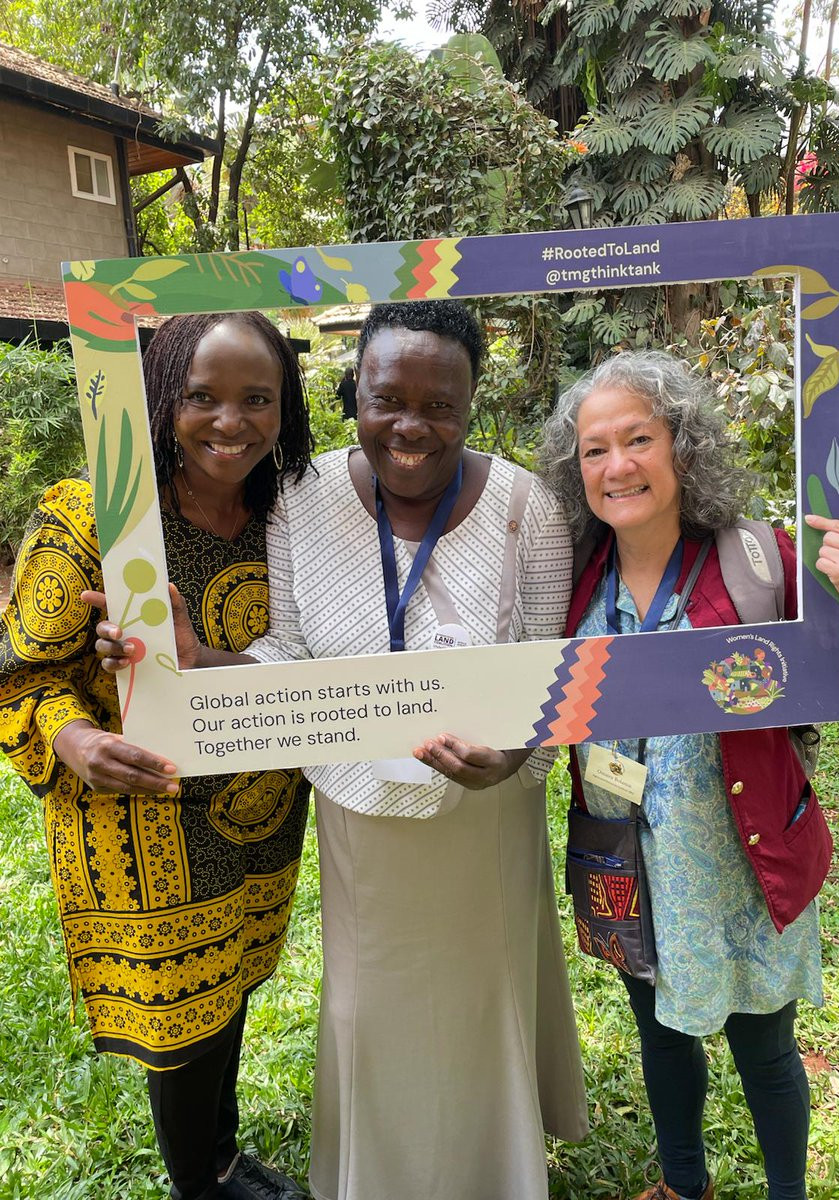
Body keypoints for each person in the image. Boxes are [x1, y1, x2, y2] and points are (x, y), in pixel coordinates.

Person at [98, 299, 589, 1200]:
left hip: (483, 815)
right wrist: (201, 661)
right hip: (357, 812)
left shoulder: (528, 506)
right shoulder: (304, 495)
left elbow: (549, 683)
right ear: (353, 392)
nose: (411, 426)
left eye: (440, 405)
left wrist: (516, 760)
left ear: (472, 403)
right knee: (374, 1006)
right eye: (387, 399)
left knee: (481, 994)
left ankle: (494, 1167)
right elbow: (288, 650)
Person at [539, 349, 839, 1200]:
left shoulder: (758, 560)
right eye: (594, 449)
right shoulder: (578, 573)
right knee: (661, 1034)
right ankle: (682, 1183)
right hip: (627, 852)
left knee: (765, 1051)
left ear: (683, 445)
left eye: (639, 439)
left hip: (740, 857)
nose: (618, 466)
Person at [0, 312, 316, 1200]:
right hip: (144, 817)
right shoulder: (97, 516)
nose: (231, 421)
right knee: (183, 1020)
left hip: (260, 813)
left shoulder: (289, 515)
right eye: (201, 396)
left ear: (285, 407)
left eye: (257, 398)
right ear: (161, 399)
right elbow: (20, 671)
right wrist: (75, 739)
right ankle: (199, 1186)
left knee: (233, 986)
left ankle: (221, 1156)